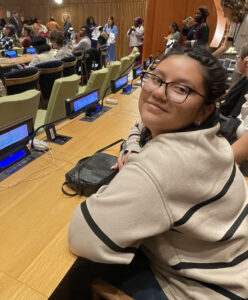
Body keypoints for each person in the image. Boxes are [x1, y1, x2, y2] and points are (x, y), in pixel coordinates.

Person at [68, 46, 248, 299]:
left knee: (76, 274)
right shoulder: (210, 137)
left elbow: (82, 236)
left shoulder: (165, 163)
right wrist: (134, 154)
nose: (157, 94)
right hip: (234, 266)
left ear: (204, 111)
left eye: (181, 89)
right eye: (157, 78)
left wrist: (128, 175)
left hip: (210, 289)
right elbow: (140, 124)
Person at [213, 0, 248, 87]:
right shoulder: (234, 23)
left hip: (245, 65)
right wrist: (210, 56)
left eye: (225, 11)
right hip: (240, 63)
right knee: (233, 89)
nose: (224, 15)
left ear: (233, 9)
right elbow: (227, 45)